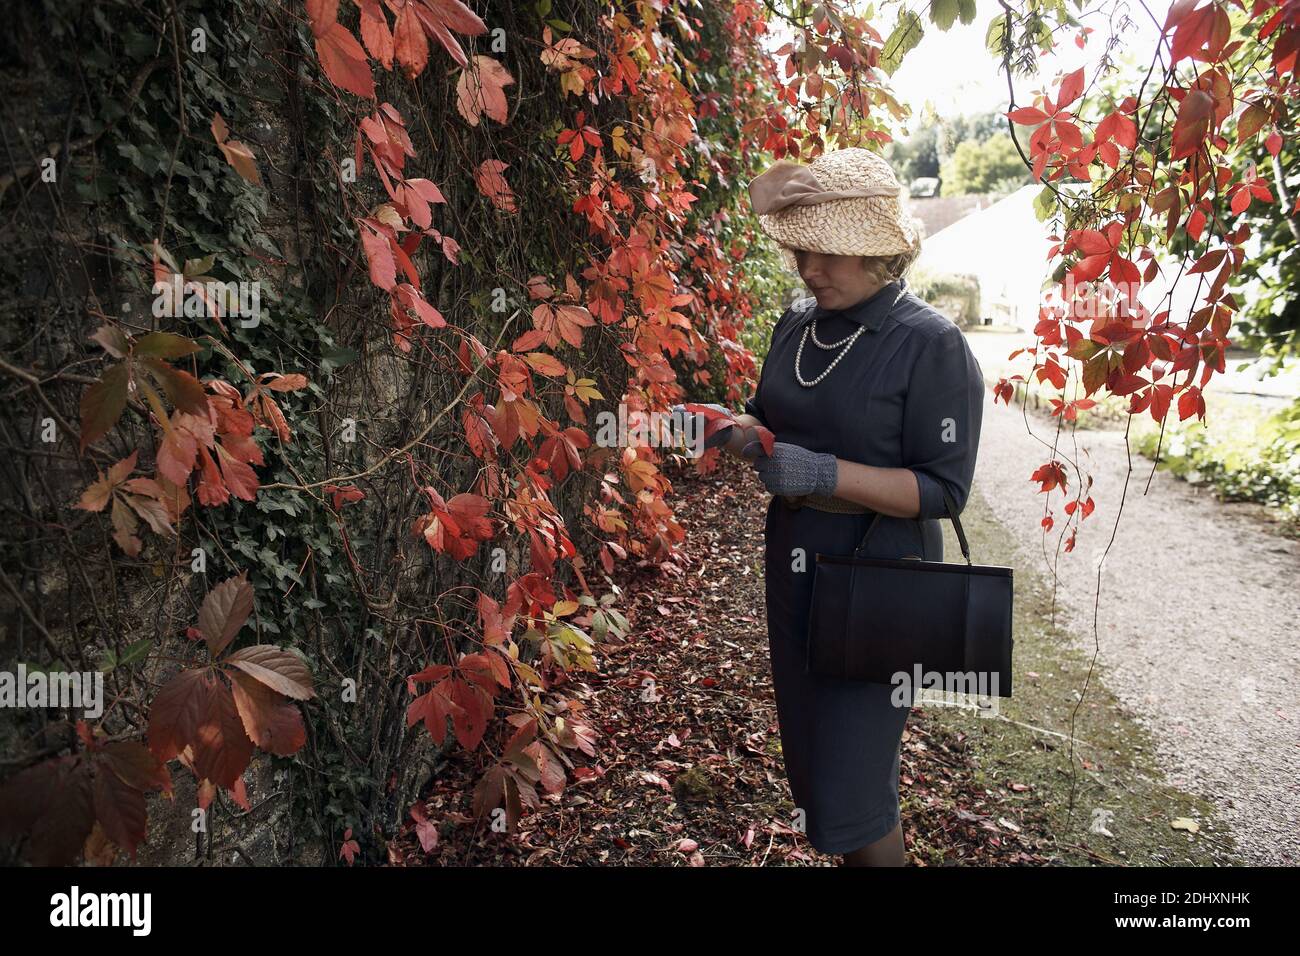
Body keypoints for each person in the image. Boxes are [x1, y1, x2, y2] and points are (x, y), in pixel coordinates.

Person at [677, 147, 985, 866]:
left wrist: (824, 473)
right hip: (796, 570)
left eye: (827, 254)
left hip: (881, 576)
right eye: (800, 251)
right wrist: (730, 429)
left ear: (878, 254)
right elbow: (768, 421)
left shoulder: (929, 345)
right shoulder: (797, 324)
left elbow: (943, 489)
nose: (809, 269)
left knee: (851, 791)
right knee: (818, 774)